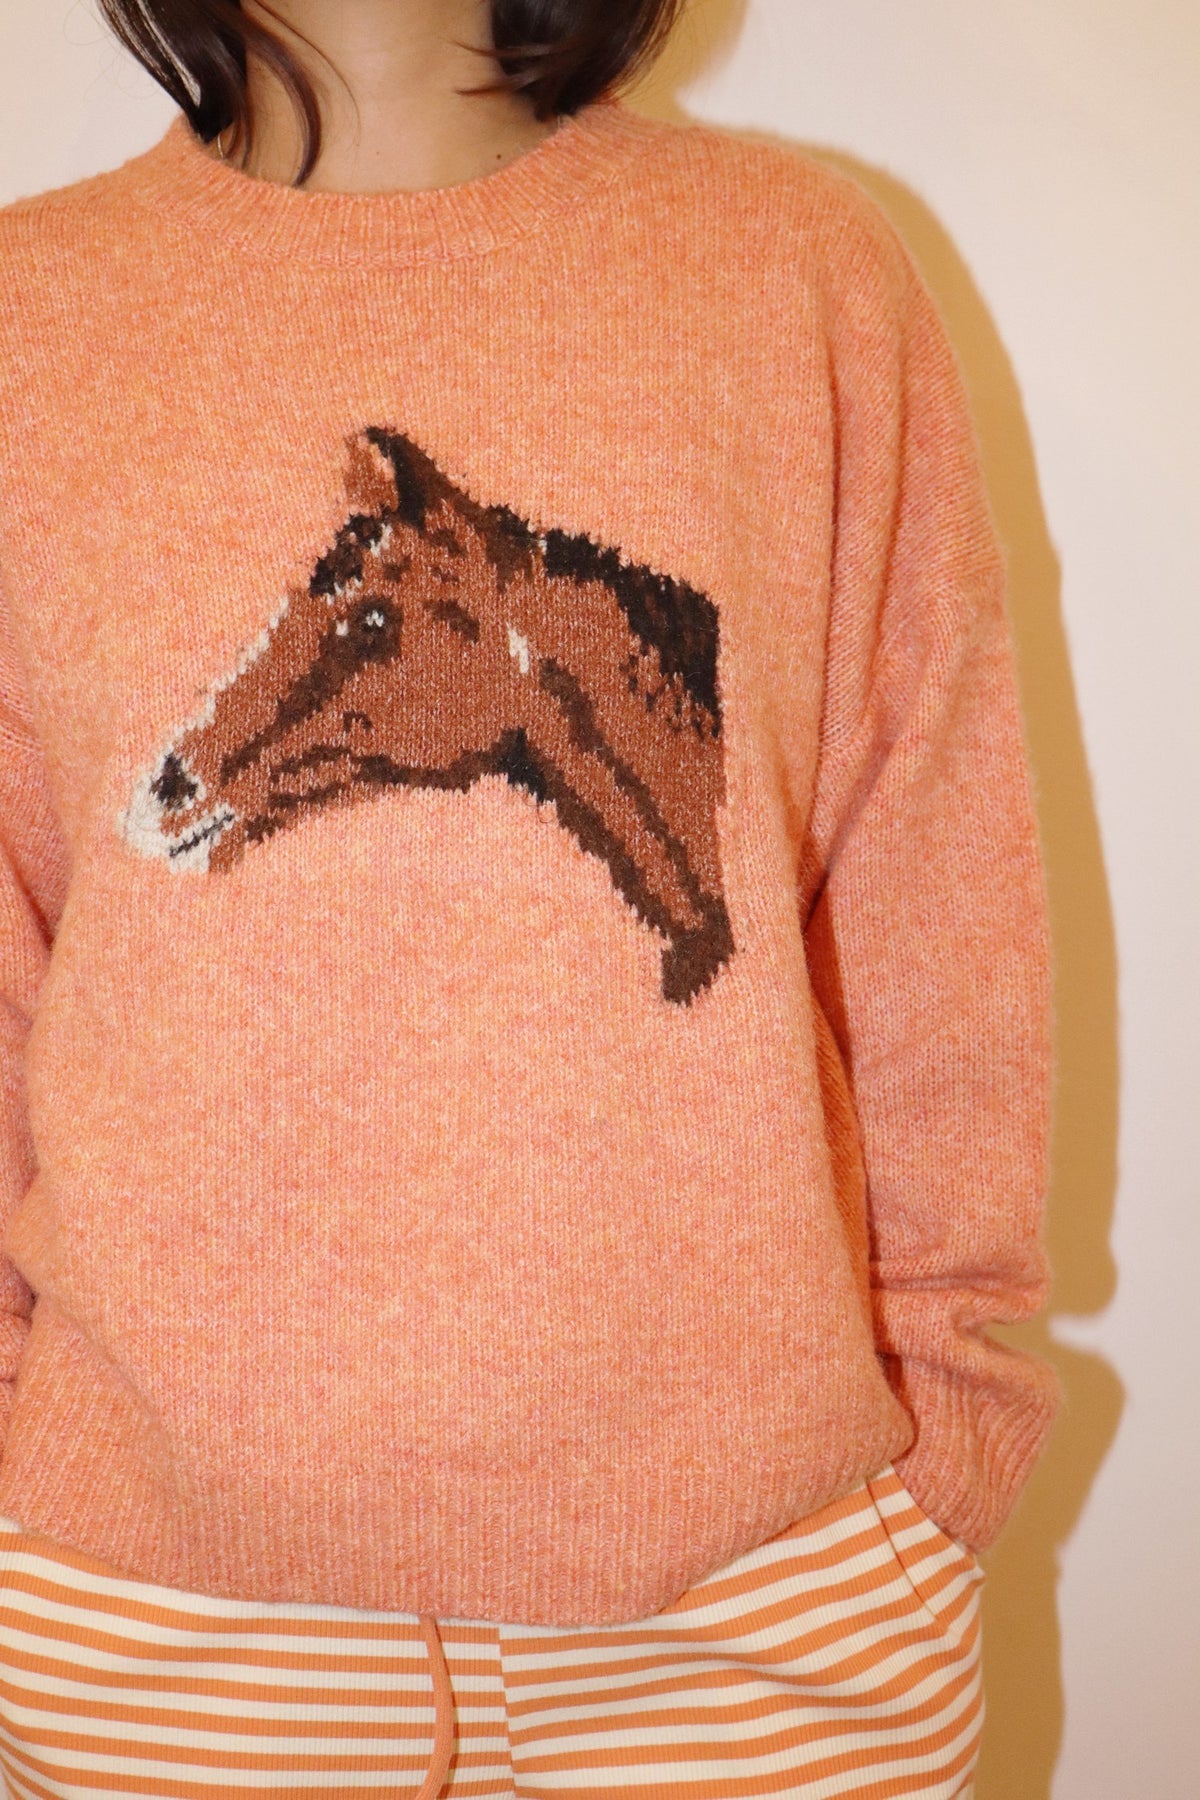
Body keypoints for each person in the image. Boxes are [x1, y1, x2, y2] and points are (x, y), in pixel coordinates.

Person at [0, 1, 1059, 1794]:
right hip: (162, 1640)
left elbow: (933, 901)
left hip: (765, 1632)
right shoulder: (27, 322)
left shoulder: (795, 276)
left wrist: (939, 1455)